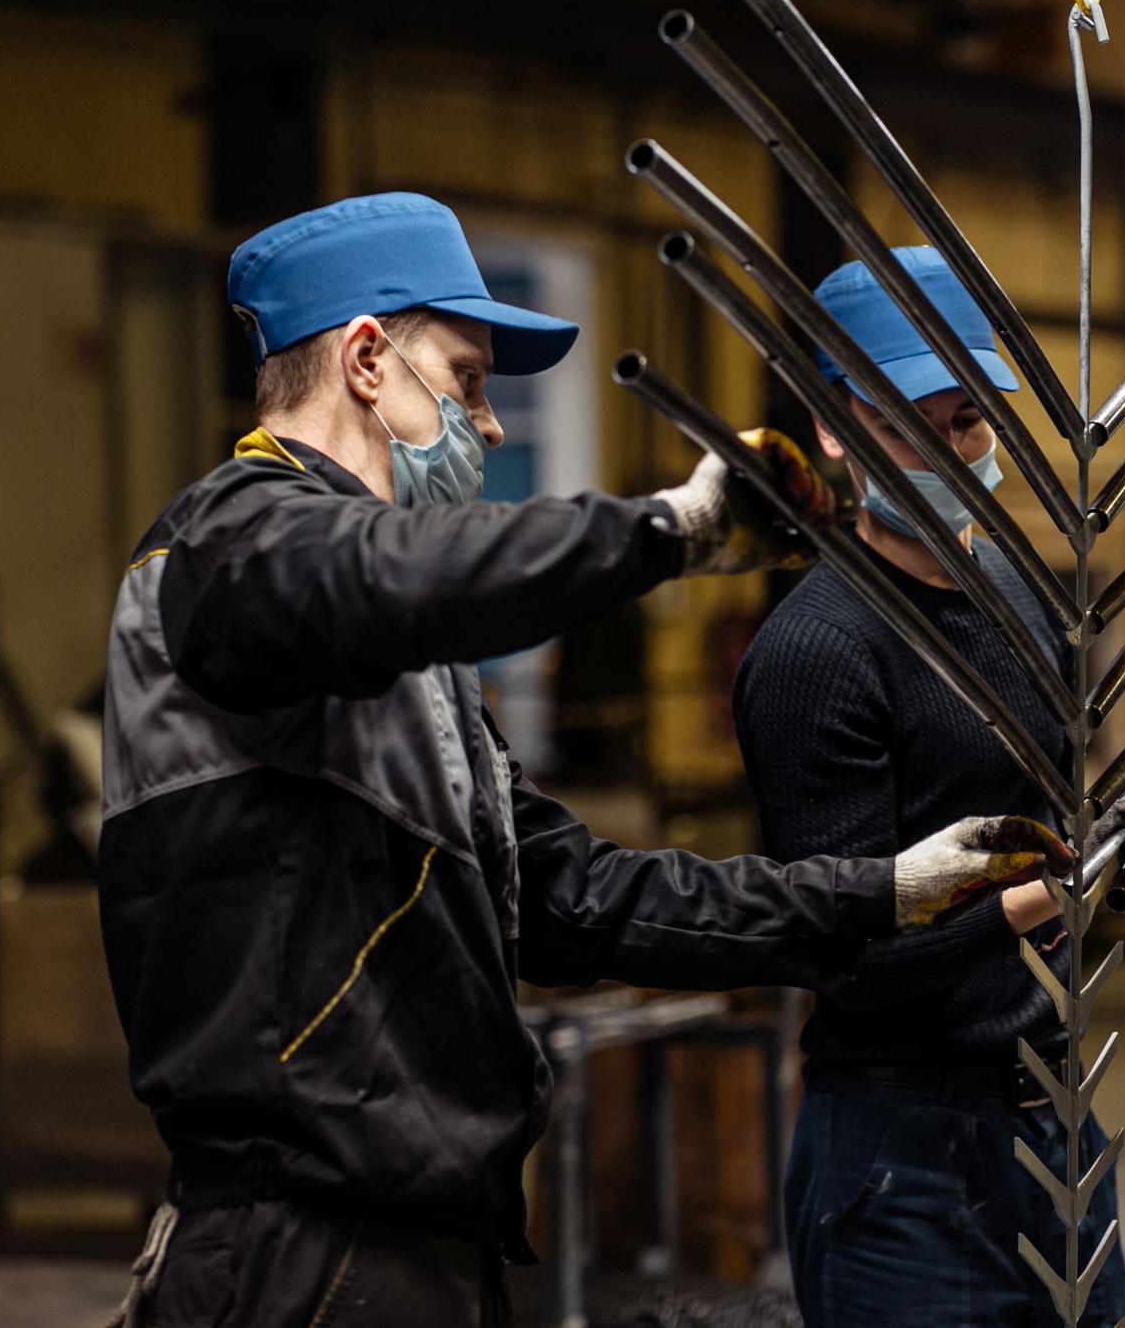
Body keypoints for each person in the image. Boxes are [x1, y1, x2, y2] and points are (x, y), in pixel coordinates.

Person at [97, 195, 1075, 1328]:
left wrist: (886, 891)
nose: (489, 426)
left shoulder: (412, 668)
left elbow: (580, 900)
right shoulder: (225, 546)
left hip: (422, 1238)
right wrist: (668, 530)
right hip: (289, 1254)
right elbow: (377, 573)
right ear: (366, 361)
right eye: (468, 380)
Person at [733, 248, 1125, 1327]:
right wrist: (1045, 892)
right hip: (900, 1153)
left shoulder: (1020, 596)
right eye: (904, 425)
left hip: (1050, 1112)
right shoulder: (815, 653)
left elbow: (1055, 823)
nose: (948, 450)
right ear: (832, 428)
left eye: (968, 420)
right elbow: (845, 957)